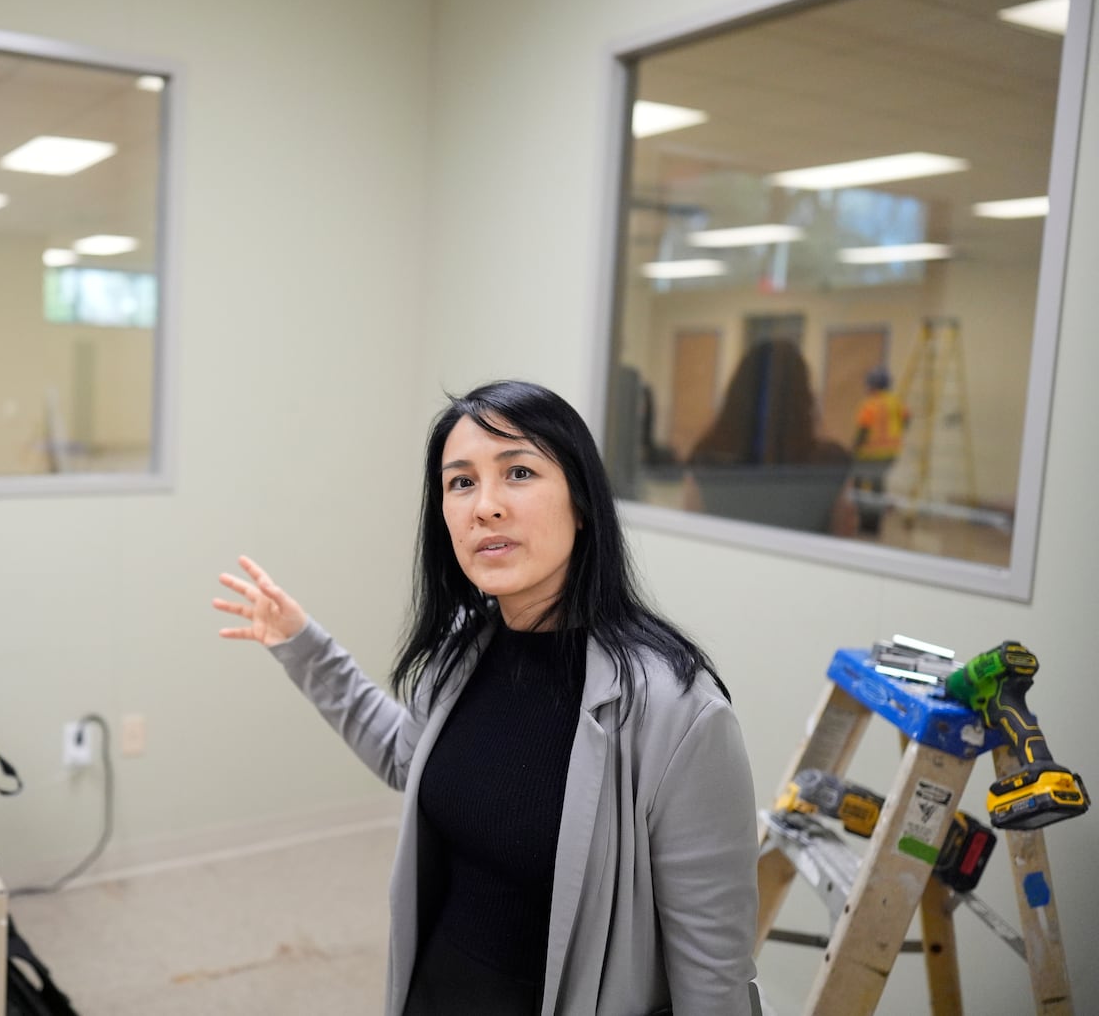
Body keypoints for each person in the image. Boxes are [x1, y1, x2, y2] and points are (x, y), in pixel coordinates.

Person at [214, 380, 759, 1016]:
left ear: (582, 502)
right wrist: (302, 645)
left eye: (519, 472)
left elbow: (713, 976)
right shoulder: (460, 649)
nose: (485, 507)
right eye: (461, 482)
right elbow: (403, 756)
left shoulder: (677, 712)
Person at [686, 339, 853, 535]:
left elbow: (690, 529)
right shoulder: (829, 464)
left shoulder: (707, 457)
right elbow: (843, 538)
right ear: (805, 396)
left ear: (736, 395)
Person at [850, 365, 908, 535]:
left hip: (869, 454)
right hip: (890, 453)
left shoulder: (870, 404)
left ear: (873, 385)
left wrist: (854, 448)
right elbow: (906, 419)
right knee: (878, 487)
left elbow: (863, 430)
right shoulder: (896, 402)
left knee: (860, 487)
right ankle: (874, 526)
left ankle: (864, 524)